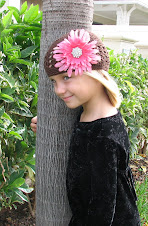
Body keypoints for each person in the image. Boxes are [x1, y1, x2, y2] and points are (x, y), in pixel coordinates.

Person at [31, 29, 141, 226]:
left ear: (94, 74)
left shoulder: (104, 136)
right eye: (54, 82)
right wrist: (47, 126)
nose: (58, 90)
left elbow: (102, 209)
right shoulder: (92, 114)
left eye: (66, 77)